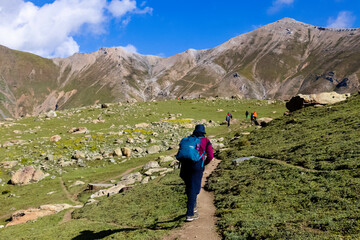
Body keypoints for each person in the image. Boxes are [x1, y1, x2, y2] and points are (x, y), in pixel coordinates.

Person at [179, 124, 213, 222]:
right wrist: (204, 164)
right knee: (194, 190)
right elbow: (210, 156)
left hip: (185, 167)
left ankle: (193, 208)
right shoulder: (206, 141)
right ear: (203, 132)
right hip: (196, 167)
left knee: (190, 188)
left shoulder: (187, 139)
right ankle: (190, 214)